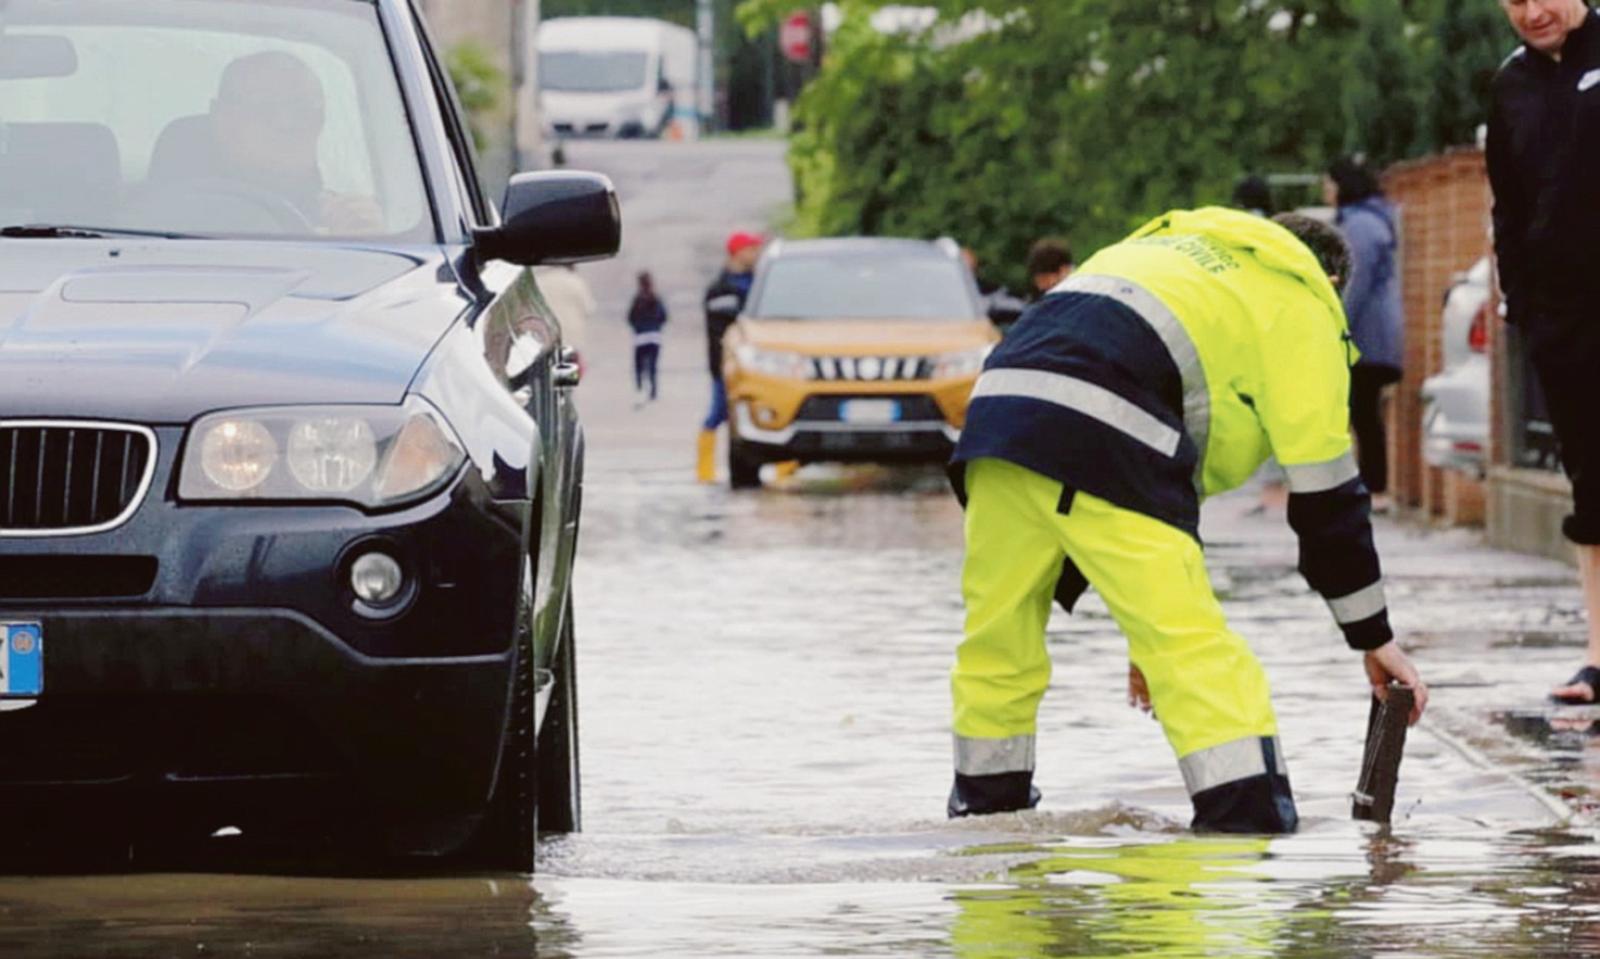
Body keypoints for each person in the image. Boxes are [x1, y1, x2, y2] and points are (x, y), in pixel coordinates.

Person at [947, 207, 1428, 832]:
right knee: (1198, 656)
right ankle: (1247, 836)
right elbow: (1328, 495)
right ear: (1331, 281)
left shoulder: (1169, 251)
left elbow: (1147, 466)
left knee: (998, 641)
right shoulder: (1299, 300)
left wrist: (1141, 633)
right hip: (1101, 433)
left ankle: (987, 831)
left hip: (998, 420)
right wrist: (1373, 637)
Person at [1486, 0, 1600, 703]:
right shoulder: (1511, 85)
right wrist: (1524, 308)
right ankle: (1598, 655)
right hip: (1562, 320)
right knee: (1592, 484)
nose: (1531, 11)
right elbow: (1507, 204)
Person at [147, 51, 381, 234]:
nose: (286, 122)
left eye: (304, 109)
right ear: (221, 116)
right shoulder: (145, 225)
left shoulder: (342, 223)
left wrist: (368, 242)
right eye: (264, 106)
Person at [1326, 156, 1403, 514]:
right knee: (1363, 412)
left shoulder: (1360, 225)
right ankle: (1372, 486)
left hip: (1366, 336)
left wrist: (1336, 321)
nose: (1325, 191)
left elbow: (1355, 280)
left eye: (1329, 183)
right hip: (1370, 333)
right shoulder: (1366, 221)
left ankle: (1376, 488)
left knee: (1363, 412)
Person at [697, 231, 764, 483]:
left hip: (762, 363)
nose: (755, 254)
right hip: (727, 364)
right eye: (751, 249)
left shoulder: (760, 283)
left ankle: (784, 468)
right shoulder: (720, 289)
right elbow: (718, 329)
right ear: (737, 252)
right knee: (718, 412)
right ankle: (705, 470)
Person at [535, 264, 598, 367]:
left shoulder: (539, 281)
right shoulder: (576, 282)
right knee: (564, 378)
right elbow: (589, 309)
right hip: (569, 337)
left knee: (543, 377)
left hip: (543, 337)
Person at [628, 271, 667, 404]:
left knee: (639, 365)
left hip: (640, 338)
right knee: (653, 366)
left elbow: (630, 317)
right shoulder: (656, 298)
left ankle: (640, 387)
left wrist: (637, 327)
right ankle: (653, 390)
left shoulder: (637, 300)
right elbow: (664, 316)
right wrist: (657, 326)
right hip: (655, 336)